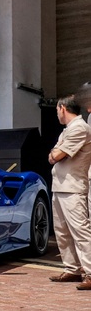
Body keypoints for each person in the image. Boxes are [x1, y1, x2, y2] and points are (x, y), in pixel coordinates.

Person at [48, 94, 91, 290]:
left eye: (57, 110)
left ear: (63, 108)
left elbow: (56, 154)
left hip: (73, 188)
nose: (57, 114)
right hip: (60, 187)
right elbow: (54, 156)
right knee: (62, 232)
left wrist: (56, 154)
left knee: (80, 231)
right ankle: (73, 269)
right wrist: (55, 154)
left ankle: (90, 272)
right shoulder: (68, 130)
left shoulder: (80, 128)